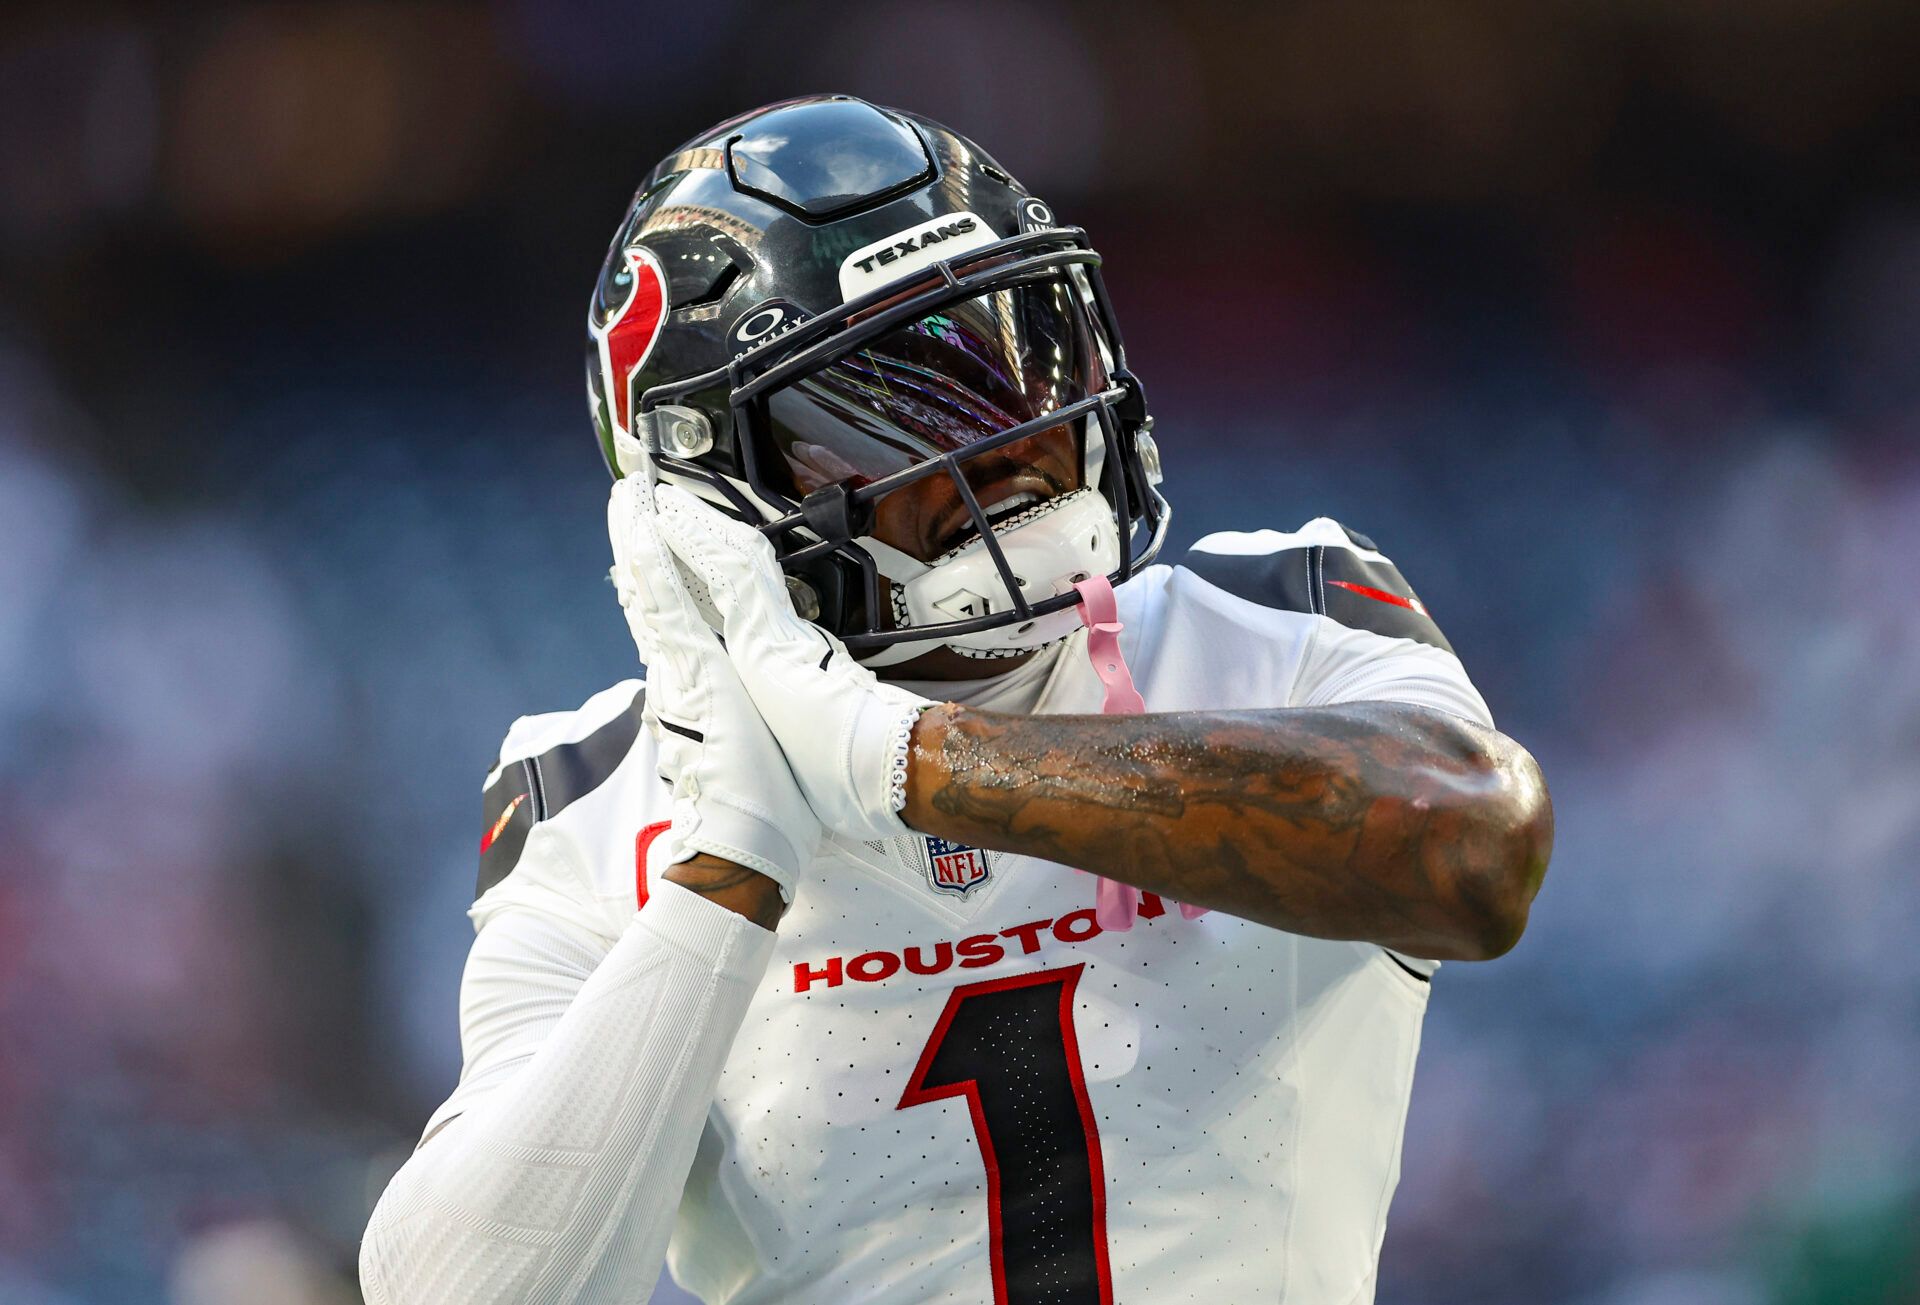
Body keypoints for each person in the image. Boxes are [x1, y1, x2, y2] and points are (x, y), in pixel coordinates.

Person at [358, 95, 1554, 1305]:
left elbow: (1475, 848)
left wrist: (905, 760)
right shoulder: (597, 803)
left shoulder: (1278, 619)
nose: (1015, 436)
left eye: (1018, 347)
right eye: (880, 408)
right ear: (709, 503)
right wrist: (729, 866)